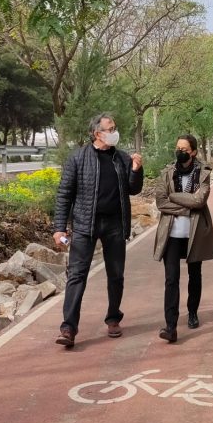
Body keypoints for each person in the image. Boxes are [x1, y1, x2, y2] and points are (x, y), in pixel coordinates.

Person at [52, 113, 144, 348]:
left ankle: (113, 318)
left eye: (115, 127)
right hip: (85, 225)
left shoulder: (122, 158)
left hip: (115, 224)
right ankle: (68, 327)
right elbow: (64, 194)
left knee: (116, 275)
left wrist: (136, 169)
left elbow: (133, 190)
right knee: (77, 275)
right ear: (97, 133)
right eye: (110, 128)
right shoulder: (78, 158)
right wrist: (59, 228)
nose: (115, 132)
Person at [153, 135, 213, 343]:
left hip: (194, 232)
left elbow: (200, 201)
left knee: (194, 275)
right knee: (171, 279)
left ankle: (192, 312)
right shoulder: (167, 172)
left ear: (193, 152)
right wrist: (186, 205)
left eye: (184, 148)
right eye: (177, 147)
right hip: (171, 234)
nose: (180, 151)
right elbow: (161, 203)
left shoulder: (203, 173)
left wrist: (174, 197)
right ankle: (170, 326)